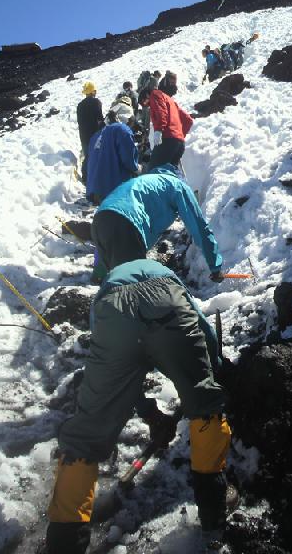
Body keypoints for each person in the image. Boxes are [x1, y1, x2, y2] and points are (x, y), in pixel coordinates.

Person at [45, 257, 231, 554]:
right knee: (203, 402)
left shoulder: (106, 288)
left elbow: (118, 381)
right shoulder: (168, 276)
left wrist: (150, 414)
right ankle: (213, 513)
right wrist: (213, 370)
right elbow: (202, 329)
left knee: (88, 430)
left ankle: (64, 542)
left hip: (113, 310)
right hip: (167, 300)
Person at [91, 163, 224, 280]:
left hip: (100, 219)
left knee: (115, 280)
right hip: (127, 223)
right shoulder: (177, 185)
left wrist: (100, 271)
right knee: (134, 286)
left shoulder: (145, 183)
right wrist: (215, 266)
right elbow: (199, 228)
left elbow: (114, 228)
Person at [86, 110, 138, 204]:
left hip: (94, 191)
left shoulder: (97, 134)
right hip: (111, 192)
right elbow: (129, 159)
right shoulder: (122, 130)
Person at [139, 87, 193, 170]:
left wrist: (158, 130)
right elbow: (188, 120)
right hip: (179, 144)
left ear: (147, 95)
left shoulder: (155, 94)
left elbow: (160, 111)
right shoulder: (171, 101)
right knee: (170, 173)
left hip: (166, 140)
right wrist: (180, 135)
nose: (148, 105)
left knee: (154, 172)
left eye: (145, 102)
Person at [76, 82, 104, 183]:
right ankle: (95, 179)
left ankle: (85, 177)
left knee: (87, 155)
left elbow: (79, 122)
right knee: (95, 156)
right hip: (94, 134)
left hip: (83, 135)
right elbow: (100, 119)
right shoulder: (96, 102)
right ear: (93, 91)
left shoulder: (80, 105)